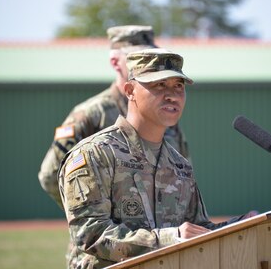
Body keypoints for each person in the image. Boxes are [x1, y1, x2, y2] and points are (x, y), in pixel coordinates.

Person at [58, 48, 257, 269]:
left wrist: (241, 225)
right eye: (159, 85)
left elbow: (196, 233)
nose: (172, 94)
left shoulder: (179, 165)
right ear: (130, 90)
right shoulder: (94, 154)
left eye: (178, 86)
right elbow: (90, 234)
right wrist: (169, 238)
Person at [38, 25, 190, 208]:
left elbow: (183, 175)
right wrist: (88, 209)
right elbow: (50, 175)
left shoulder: (164, 113)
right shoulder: (90, 114)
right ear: (115, 62)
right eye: (137, 56)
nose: (150, 62)